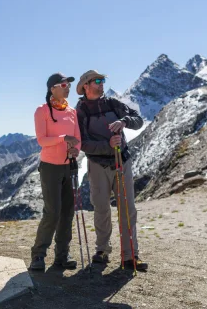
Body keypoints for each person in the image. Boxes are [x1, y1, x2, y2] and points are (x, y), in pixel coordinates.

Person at [75, 69, 148, 271]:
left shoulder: (113, 104)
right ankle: (102, 250)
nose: (101, 83)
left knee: (127, 209)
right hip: (98, 165)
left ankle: (130, 255)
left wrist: (124, 122)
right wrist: (108, 145)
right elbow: (83, 143)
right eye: (96, 81)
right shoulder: (80, 111)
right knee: (101, 209)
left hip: (121, 161)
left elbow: (138, 120)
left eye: (102, 80)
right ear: (86, 86)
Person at [29, 73, 81, 271]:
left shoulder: (72, 112)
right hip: (50, 167)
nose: (67, 88)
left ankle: (62, 255)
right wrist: (63, 138)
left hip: (68, 165)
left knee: (67, 212)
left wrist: (76, 148)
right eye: (64, 84)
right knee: (52, 212)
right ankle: (38, 256)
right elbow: (42, 140)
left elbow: (77, 137)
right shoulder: (41, 111)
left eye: (68, 85)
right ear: (53, 88)